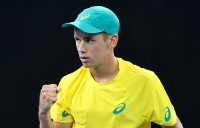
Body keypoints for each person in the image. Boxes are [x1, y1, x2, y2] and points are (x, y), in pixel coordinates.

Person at [38, 6, 183, 128]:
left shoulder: (145, 81)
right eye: (77, 39)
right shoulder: (68, 83)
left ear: (112, 40)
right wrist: (43, 114)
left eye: (89, 40)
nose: (81, 48)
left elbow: (173, 125)